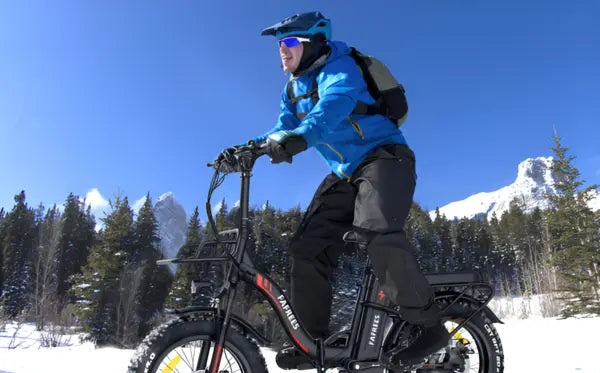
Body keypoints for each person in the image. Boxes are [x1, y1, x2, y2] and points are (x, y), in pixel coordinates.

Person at [218, 11, 450, 368]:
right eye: (280, 44)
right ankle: (313, 342)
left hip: (385, 158)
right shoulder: (293, 89)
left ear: (315, 43)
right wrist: (248, 148)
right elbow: (282, 127)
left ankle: (429, 326)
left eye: (291, 42)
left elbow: (329, 111)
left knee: (377, 230)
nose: (283, 51)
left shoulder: (341, 68)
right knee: (306, 247)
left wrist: (297, 140)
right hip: (347, 173)